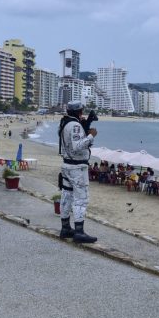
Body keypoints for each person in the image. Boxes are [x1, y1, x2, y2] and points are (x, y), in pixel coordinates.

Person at [58, 101, 98, 243]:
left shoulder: (65, 123)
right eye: (82, 111)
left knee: (67, 196)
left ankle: (65, 228)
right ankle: (79, 231)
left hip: (67, 165)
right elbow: (77, 146)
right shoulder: (74, 125)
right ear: (79, 111)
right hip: (77, 168)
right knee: (81, 199)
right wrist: (91, 135)